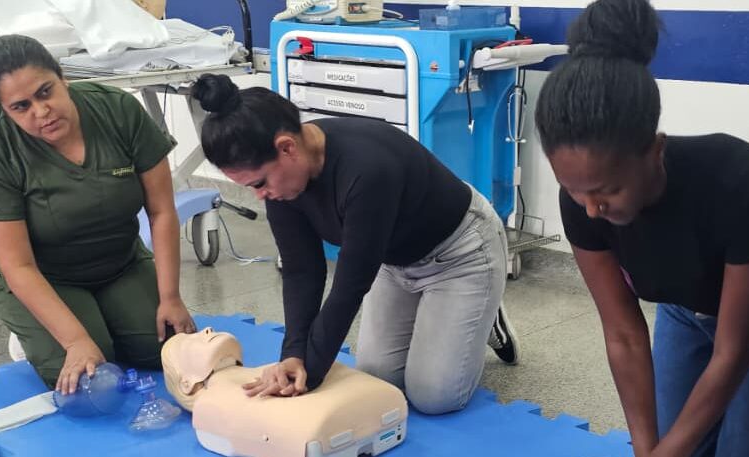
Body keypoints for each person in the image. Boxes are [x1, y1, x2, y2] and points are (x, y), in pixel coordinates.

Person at [534, 0, 749, 455]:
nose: (590, 210)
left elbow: (733, 352)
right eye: (574, 190)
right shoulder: (584, 200)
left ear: (655, 150)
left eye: (605, 191)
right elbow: (623, 334)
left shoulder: (744, 182)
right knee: (677, 442)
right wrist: (647, 449)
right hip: (688, 305)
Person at [188, 74, 519, 414]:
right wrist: (293, 355)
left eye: (258, 183)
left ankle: (484, 314)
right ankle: (456, 317)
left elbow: (351, 284)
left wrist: (308, 375)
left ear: (287, 147)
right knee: (378, 378)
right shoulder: (282, 179)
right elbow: (302, 271)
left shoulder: (367, 169)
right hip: (394, 263)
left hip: (461, 255)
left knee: (433, 396)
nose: (260, 196)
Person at [0, 34, 196, 394]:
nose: (40, 111)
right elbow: (18, 267)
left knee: (169, 348)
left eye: (45, 92)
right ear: (4, 110)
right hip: (41, 273)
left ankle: (104, 315)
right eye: (21, 106)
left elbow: (161, 210)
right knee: (93, 377)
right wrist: (75, 341)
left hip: (117, 259)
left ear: (64, 79)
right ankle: (32, 332)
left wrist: (170, 297)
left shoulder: (117, 111)